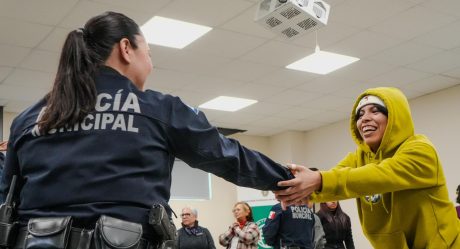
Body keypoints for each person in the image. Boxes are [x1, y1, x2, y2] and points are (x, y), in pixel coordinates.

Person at [0, 11, 293, 249]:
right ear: (126, 48)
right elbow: (226, 155)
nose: (150, 64)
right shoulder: (158, 109)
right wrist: (289, 179)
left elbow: (7, 199)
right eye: (149, 53)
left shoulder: (29, 119)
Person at [274, 87, 460, 249]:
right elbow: (332, 180)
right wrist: (299, 193)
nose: (365, 119)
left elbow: (380, 175)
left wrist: (318, 180)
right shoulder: (358, 157)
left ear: (395, 117)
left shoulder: (420, 149)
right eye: (360, 114)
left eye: (375, 111)